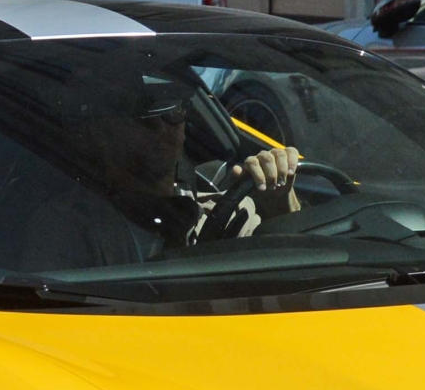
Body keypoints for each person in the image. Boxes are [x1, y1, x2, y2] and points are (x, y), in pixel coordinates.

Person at [18, 75, 300, 270]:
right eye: (144, 114)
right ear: (100, 133)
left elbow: (299, 269)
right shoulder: (70, 226)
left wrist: (280, 202)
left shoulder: (221, 209)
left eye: (174, 112)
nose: (163, 127)